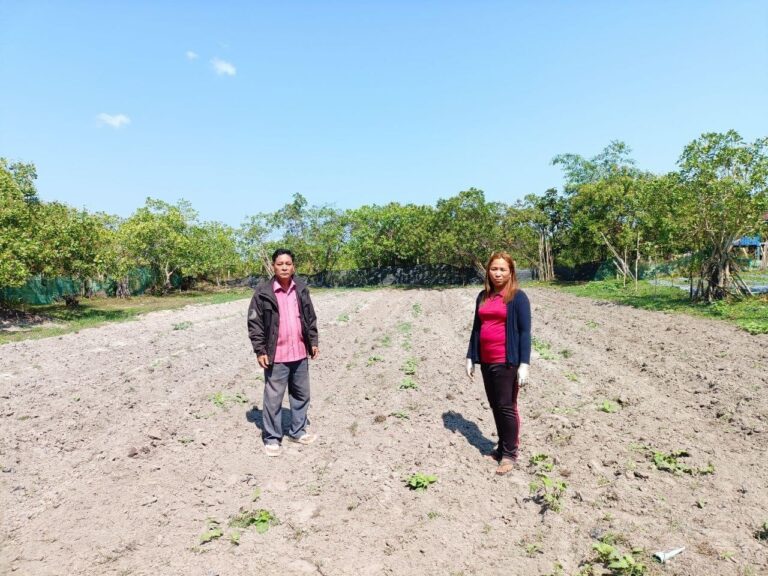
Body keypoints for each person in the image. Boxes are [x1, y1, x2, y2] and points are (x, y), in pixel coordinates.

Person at [247, 248, 319, 457]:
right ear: (273, 266)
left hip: (299, 352)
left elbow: (310, 317)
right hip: (276, 355)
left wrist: (313, 341)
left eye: (288, 263)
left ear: (293, 266)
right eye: (280, 264)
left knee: (301, 395)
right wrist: (260, 349)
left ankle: (298, 431)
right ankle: (272, 438)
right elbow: (255, 324)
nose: (284, 267)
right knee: (273, 399)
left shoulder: (301, 289)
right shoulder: (263, 292)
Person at [466, 251, 531, 475]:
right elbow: (476, 328)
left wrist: (524, 364)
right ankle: (502, 447)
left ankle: (510, 454)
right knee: (495, 405)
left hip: (507, 361)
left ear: (511, 272)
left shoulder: (517, 297)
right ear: (488, 271)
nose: (498, 273)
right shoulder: (482, 297)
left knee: (506, 406)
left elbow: (525, 332)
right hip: (486, 360)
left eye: (503, 269)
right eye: (494, 269)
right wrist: (470, 356)